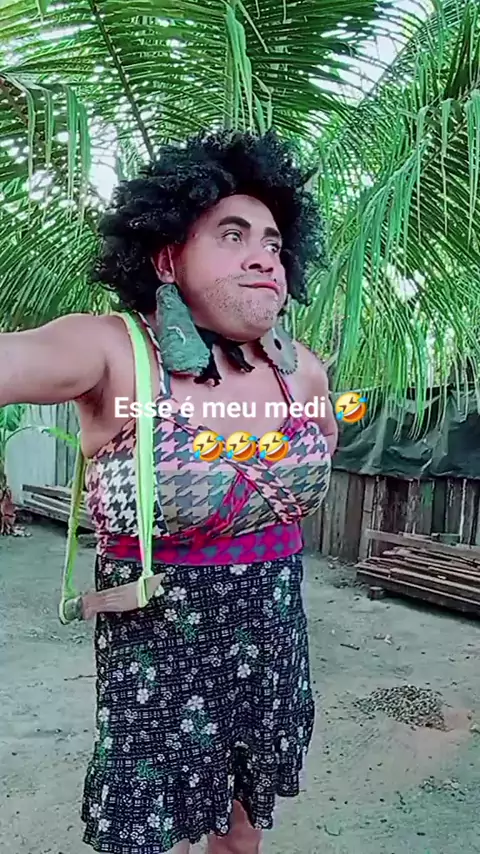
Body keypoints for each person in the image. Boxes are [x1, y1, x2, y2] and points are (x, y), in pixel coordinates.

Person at [0, 129, 338, 853]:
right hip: (159, 668)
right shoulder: (114, 351)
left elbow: (321, 450)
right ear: (165, 258)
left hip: (271, 651)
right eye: (233, 235)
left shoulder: (301, 371)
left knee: (241, 834)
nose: (264, 257)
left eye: (275, 244)